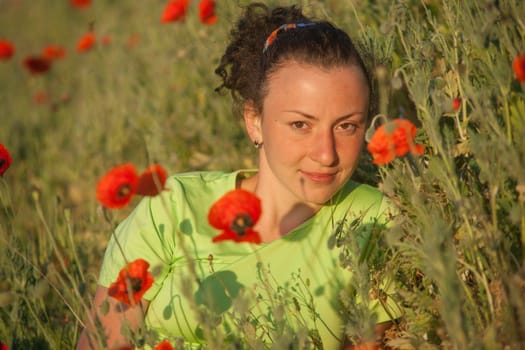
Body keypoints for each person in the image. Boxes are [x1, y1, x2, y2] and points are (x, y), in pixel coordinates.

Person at [77, 2, 401, 349]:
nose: (326, 153)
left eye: (347, 126)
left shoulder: (372, 223)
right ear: (254, 120)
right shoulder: (173, 208)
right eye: (300, 125)